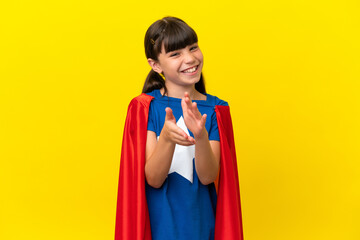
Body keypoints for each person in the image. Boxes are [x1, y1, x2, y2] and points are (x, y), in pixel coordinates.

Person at [115, 17, 243, 240]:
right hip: (159, 228)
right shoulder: (146, 108)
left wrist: (201, 135)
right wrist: (166, 138)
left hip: (202, 227)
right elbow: (153, 178)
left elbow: (208, 176)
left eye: (193, 48)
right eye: (175, 54)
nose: (190, 58)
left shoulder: (216, 109)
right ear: (156, 65)